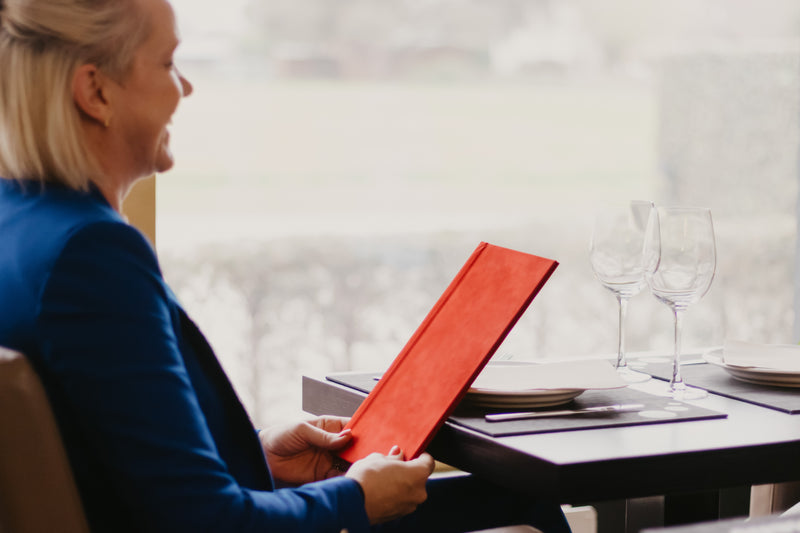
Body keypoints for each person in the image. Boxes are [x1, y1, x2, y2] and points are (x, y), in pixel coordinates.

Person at [0, 0, 571, 531]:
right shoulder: (92, 256)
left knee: (518, 498)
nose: (187, 87)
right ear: (94, 92)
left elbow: (123, 449)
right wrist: (356, 498)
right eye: (169, 63)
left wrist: (260, 456)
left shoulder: (21, 224)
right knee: (528, 502)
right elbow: (204, 521)